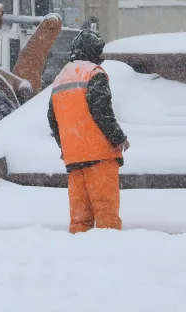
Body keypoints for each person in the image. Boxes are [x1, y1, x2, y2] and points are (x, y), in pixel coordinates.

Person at [47, 29, 130, 233]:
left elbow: (52, 118)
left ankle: (79, 255)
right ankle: (107, 254)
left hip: (74, 157)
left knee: (79, 219)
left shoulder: (60, 78)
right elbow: (102, 111)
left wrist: (64, 145)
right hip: (99, 153)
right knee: (106, 216)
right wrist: (118, 138)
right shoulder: (93, 74)